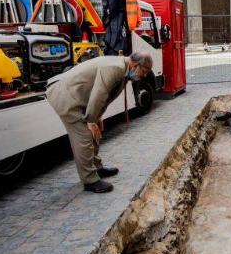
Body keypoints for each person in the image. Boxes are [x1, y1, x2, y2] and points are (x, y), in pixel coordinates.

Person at [46, 52, 153, 193]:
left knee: (96, 130)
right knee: (84, 136)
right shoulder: (116, 68)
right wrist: (91, 120)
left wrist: (97, 117)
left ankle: (97, 168)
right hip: (66, 95)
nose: (144, 76)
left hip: (78, 96)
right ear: (135, 65)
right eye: (144, 71)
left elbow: (105, 97)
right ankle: (90, 180)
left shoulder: (124, 71)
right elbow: (99, 93)